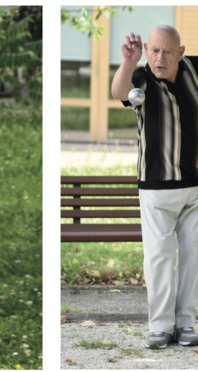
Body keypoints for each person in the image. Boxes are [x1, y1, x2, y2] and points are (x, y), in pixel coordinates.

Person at [111, 24, 198, 349]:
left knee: (193, 254)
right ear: (147, 49)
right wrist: (129, 61)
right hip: (156, 187)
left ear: (181, 53)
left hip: (195, 186)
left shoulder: (194, 71)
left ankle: (186, 323)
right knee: (159, 256)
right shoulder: (141, 77)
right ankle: (160, 327)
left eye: (167, 52)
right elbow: (118, 92)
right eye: (155, 51)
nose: (160, 58)